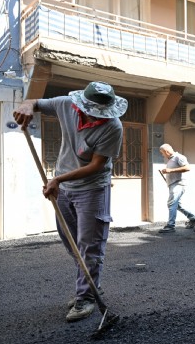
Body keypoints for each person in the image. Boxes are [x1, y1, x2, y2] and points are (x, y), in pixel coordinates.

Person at [13, 81, 125, 322]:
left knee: (90, 244)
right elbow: (35, 102)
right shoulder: (66, 105)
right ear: (82, 105)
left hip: (93, 188)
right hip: (65, 188)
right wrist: (26, 106)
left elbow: (96, 166)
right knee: (71, 240)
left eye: (102, 113)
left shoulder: (113, 127)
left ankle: (85, 296)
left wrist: (58, 179)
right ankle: (90, 285)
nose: (98, 116)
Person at [158, 144, 195, 233]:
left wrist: (170, 170)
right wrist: (167, 171)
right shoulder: (171, 160)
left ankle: (170, 226)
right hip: (173, 184)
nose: (163, 155)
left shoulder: (179, 157)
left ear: (166, 151)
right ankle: (194, 218)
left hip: (178, 184)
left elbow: (187, 167)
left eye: (162, 153)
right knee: (177, 205)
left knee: (171, 204)